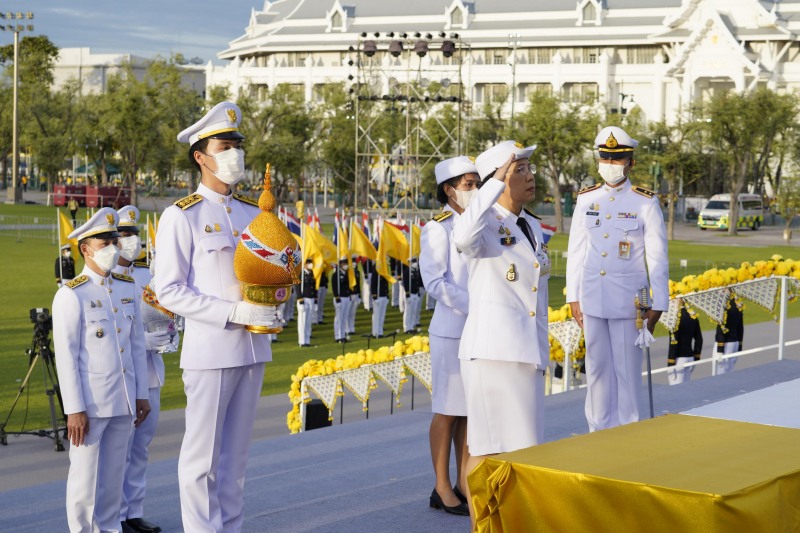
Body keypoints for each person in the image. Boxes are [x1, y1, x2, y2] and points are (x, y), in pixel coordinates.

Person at [155, 102, 278, 533]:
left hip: (253, 347)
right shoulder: (181, 214)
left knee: (236, 460)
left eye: (238, 146)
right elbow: (169, 290)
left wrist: (272, 301)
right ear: (201, 157)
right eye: (225, 147)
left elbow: (267, 272)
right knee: (202, 460)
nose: (235, 155)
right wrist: (233, 312)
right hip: (211, 351)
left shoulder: (252, 212)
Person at [452, 142, 550, 530]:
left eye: (529, 168)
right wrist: (490, 185)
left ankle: (506, 523)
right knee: (485, 448)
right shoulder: (483, 221)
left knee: (524, 450)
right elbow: (463, 237)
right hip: (494, 354)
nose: (530, 176)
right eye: (519, 169)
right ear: (499, 177)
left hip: (525, 353)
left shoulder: (531, 224)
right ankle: (482, 526)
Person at [52, 207, 150, 533]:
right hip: (90, 406)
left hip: (124, 401)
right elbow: (66, 357)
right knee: (84, 480)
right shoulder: (71, 294)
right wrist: (74, 409)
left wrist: (141, 395)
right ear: (85, 249)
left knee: (113, 479)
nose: (113, 247)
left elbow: (136, 346)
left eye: (114, 240)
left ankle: (110, 529)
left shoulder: (126, 287)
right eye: (104, 242)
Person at [566, 126, 669, 433]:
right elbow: (576, 251)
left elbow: (657, 257)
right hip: (592, 299)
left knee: (626, 372)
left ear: (630, 163)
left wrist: (658, 305)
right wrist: (573, 297)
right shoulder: (586, 199)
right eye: (605, 158)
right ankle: (597, 433)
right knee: (596, 371)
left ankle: (629, 435)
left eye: (617, 159)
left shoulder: (645, 202)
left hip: (629, 303)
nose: (610, 164)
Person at [420, 156, 478, 517]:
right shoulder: (438, 228)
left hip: (479, 329)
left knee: (469, 411)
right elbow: (435, 283)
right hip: (451, 330)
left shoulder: (479, 222)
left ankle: (464, 481)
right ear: (449, 189)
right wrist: (476, 305)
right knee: (447, 410)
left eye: (476, 183)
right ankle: (441, 486)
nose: (475, 190)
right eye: (469, 184)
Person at [114, 206, 172, 533]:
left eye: (134, 234)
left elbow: (163, 315)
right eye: (124, 235)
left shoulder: (148, 276)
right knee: (117, 450)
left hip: (149, 373)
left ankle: (133, 512)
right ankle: (113, 514)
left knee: (140, 449)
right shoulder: (102, 280)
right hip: (120, 377)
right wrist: (142, 341)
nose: (131, 241)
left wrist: (168, 336)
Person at [667, 299, 703, 385]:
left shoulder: (674, 318)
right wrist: (696, 357)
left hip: (678, 360)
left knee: (676, 389)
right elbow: (699, 339)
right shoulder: (692, 316)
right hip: (690, 357)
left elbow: (673, 342)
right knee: (686, 387)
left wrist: (671, 363)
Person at [715, 295, 744, 374]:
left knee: (720, 372)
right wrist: (740, 345)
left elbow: (721, 328)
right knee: (730, 371)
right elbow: (740, 327)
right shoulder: (738, 302)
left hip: (725, 344)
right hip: (735, 342)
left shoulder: (723, 303)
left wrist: (720, 350)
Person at [332, 256, 352, 342]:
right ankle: (338, 336)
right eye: (344, 263)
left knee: (344, 318)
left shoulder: (348, 273)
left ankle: (343, 335)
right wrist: (337, 298)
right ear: (340, 264)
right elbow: (334, 287)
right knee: (339, 318)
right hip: (340, 298)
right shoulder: (336, 274)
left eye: (346, 263)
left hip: (347, 297)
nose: (345, 264)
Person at [297, 258, 316, 347]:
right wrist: (300, 300)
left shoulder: (311, 273)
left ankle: (307, 341)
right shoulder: (301, 273)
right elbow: (298, 287)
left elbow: (314, 287)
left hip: (311, 299)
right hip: (304, 300)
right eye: (308, 262)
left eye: (310, 262)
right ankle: (302, 342)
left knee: (308, 322)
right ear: (304, 264)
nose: (310, 264)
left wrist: (315, 300)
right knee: (302, 322)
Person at [370, 259, 390, 337]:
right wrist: (374, 296)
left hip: (384, 296)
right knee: (376, 315)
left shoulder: (384, 272)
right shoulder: (376, 272)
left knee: (382, 315)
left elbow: (386, 284)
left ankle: (380, 331)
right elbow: (373, 285)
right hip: (378, 297)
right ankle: (375, 332)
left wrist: (387, 295)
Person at [402, 257, 422, 333]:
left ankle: (412, 326)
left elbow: (417, 283)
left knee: (413, 311)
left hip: (415, 293)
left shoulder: (415, 271)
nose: (415, 263)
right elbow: (405, 284)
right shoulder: (407, 272)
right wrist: (407, 294)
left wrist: (418, 292)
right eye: (413, 261)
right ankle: (407, 328)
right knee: (408, 311)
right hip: (410, 294)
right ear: (410, 263)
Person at [347, 254, 361, 335]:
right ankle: (347, 329)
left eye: (355, 261)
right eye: (353, 261)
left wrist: (359, 295)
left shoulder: (357, 272)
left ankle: (352, 329)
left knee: (352, 313)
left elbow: (358, 284)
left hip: (355, 294)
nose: (354, 263)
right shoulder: (348, 272)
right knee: (347, 313)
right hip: (349, 295)